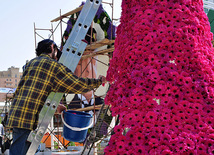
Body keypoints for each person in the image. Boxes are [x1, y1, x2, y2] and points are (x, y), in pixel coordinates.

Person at [6, 39, 107, 155]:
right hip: (27, 116)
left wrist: (56, 106)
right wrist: (98, 81)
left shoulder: (31, 63)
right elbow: (75, 84)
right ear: (52, 47)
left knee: (21, 150)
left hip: (17, 113)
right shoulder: (52, 65)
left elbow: (34, 91)